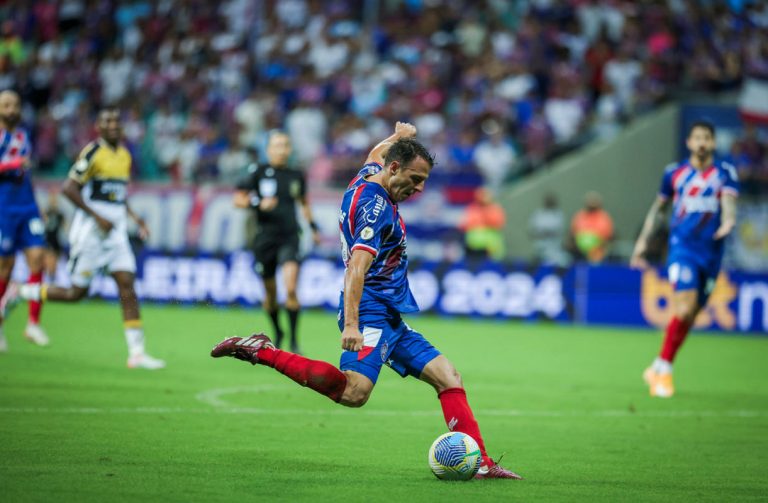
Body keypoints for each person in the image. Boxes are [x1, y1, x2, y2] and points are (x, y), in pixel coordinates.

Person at [212, 122, 522, 480]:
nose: (419, 188)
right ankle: (261, 351)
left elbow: (374, 153)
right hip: (370, 310)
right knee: (354, 392)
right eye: (415, 178)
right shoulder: (376, 212)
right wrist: (353, 324)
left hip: (388, 313)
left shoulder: (369, 176)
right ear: (394, 169)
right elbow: (356, 270)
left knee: (449, 377)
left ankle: (481, 463)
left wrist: (397, 138)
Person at [15, 108, 165, 369]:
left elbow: (117, 194)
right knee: (76, 294)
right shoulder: (93, 152)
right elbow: (68, 188)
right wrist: (97, 217)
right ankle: (21, 292)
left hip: (115, 230)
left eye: (117, 121)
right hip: (92, 232)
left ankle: (137, 353)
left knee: (127, 284)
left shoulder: (125, 155)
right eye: (107, 121)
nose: (113, 125)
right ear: (98, 126)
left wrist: (135, 218)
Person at [631, 121, 738, 398]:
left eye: (707, 138)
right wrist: (642, 244)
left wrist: (728, 223)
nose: (702, 143)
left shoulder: (724, 174)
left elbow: (728, 205)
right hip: (682, 250)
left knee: (690, 315)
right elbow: (658, 210)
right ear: (689, 143)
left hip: (711, 254)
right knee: (683, 307)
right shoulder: (674, 174)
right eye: (697, 138)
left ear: (713, 143)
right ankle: (664, 372)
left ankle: (657, 365)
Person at [233, 131, 320, 354]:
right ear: (269, 149)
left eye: (285, 145)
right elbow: (238, 199)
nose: (281, 149)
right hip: (265, 239)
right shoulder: (258, 171)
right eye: (277, 145)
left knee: (291, 289)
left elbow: (304, 202)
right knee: (271, 296)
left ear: (289, 150)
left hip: (290, 236)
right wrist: (257, 203)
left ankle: (293, 341)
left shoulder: (295, 174)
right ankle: (278, 331)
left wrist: (313, 228)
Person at [0, 89, 49, 351]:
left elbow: (26, 175)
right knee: (5, 268)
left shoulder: (23, 135)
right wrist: (13, 164)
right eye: (6, 104)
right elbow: (13, 166)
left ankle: (33, 323)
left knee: (38, 259)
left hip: (27, 206)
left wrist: (37, 207)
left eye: (15, 104)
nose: (11, 109)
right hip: (3, 209)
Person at [458, 187, 507, 261]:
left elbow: (499, 223)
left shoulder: (495, 208)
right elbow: (463, 225)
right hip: (473, 247)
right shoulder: (471, 209)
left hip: (491, 248)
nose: (483, 198)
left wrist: (484, 214)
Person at [568, 191, 614, 263]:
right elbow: (572, 234)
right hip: (579, 253)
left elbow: (608, 237)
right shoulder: (579, 216)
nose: (592, 204)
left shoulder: (604, 217)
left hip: (598, 252)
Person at [528, 193, 568, 266]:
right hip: (540, 250)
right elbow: (531, 233)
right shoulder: (538, 214)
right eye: (547, 200)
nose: (549, 202)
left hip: (555, 250)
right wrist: (542, 234)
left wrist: (547, 233)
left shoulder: (558, 214)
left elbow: (559, 232)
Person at [42, 191, 65, 281]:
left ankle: (53, 278)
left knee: (55, 261)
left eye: (54, 200)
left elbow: (65, 226)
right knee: (48, 259)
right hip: (48, 239)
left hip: (56, 240)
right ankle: (48, 277)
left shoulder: (60, 214)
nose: (53, 202)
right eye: (52, 200)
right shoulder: (46, 212)